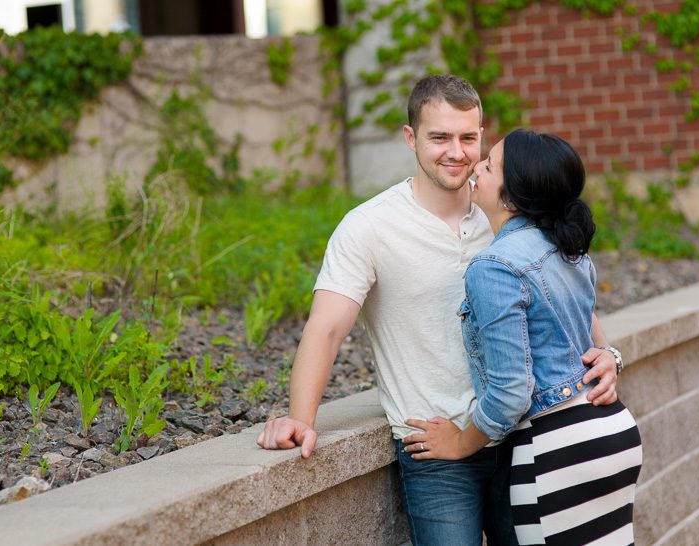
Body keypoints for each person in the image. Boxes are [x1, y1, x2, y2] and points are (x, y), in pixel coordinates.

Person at [257, 75, 621, 546]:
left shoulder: (505, 210)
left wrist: (607, 355)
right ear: (411, 138)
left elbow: (565, 298)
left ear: (482, 136)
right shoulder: (369, 226)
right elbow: (326, 328)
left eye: (468, 138)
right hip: (436, 451)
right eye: (440, 137)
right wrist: (300, 419)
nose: (456, 152)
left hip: (523, 437)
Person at [402, 129, 642, 545]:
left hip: (558, 450)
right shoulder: (564, 246)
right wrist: (611, 355)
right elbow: (590, 339)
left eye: (490, 166)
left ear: (511, 198)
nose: (476, 167)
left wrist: (459, 444)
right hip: (611, 431)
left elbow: (512, 392)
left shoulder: (494, 266)